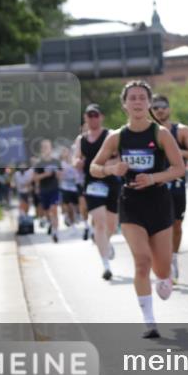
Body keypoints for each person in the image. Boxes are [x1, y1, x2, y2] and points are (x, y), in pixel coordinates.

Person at [90, 80, 185, 338]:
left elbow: (179, 168)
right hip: (131, 204)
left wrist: (153, 178)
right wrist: (111, 169)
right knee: (142, 262)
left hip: (159, 202)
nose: (137, 102)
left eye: (142, 97)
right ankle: (149, 321)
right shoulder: (117, 137)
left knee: (161, 269)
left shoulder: (160, 134)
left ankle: (165, 277)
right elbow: (94, 168)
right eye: (132, 98)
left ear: (149, 102)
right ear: (124, 104)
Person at [151, 94, 188, 283]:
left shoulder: (181, 131)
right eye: (155, 107)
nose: (160, 110)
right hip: (153, 187)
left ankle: (173, 259)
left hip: (176, 186)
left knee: (176, 226)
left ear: (169, 109)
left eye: (163, 106)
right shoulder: (146, 132)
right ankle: (160, 264)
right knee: (156, 228)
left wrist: (175, 150)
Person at [74, 104, 122, 280]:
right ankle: (105, 265)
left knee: (111, 225)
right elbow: (76, 157)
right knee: (99, 223)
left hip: (111, 182)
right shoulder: (81, 139)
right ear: (85, 118)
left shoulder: (110, 135)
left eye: (95, 115)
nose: (93, 118)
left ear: (101, 117)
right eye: (89, 115)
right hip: (92, 183)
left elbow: (119, 157)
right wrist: (77, 162)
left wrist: (111, 164)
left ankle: (106, 243)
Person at [33, 139, 61, 242]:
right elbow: (35, 178)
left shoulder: (56, 162)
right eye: (44, 147)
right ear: (41, 149)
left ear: (51, 148)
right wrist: (45, 174)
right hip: (44, 190)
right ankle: (50, 223)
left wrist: (58, 174)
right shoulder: (39, 163)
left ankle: (55, 232)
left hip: (54, 189)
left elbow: (61, 176)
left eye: (47, 147)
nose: (46, 149)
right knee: (47, 212)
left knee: (54, 209)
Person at [59, 147, 81, 229]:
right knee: (69, 206)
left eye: (67, 152)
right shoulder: (61, 164)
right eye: (64, 152)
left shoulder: (74, 162)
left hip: (75, 186)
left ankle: (76, 216)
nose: (66, 154)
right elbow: (59, 175)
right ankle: (72, 223)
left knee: (77, 206)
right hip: (65, 187)